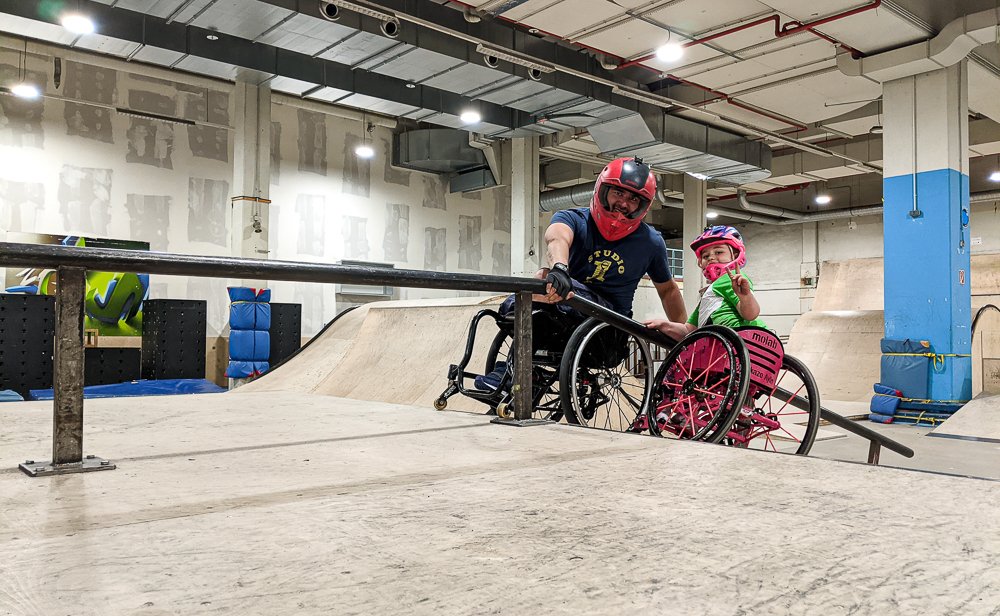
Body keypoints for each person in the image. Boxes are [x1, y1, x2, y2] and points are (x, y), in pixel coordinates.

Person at [476, 157, 687, 391]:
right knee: (540, 284)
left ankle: (512, 375)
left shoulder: (651, 242)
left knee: (542, 283)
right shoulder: (572, 218)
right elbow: (557, 238)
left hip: (608, 325)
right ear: (602, 190)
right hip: (566, 306)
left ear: (642, 206)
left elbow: (668, 290)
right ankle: (517, 372)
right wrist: (560, 269)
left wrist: (684, 336)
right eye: (618, 193)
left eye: (633, 199)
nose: (624, 203)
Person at [642, 225, 765, 341]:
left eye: (718, 252)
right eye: (705, 256)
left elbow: (750, 315)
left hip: (746, 342)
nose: (711, 257)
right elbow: (688, 330)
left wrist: (745, 297)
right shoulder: (711, 294)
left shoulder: (732, 279)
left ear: (736, 254)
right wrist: (665, 325)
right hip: (731, 345)